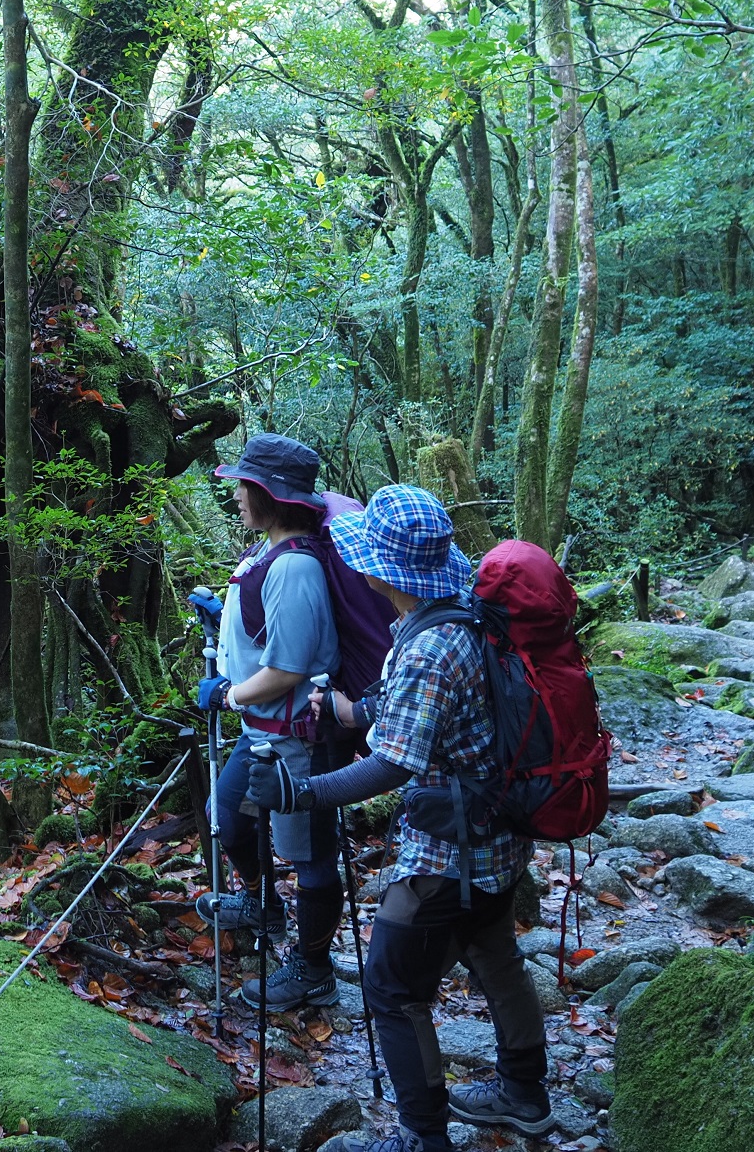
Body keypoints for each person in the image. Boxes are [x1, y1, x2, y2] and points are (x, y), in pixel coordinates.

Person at [246, 484, 552, 1152]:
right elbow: (424, 717)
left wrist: (303, 793)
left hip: (449, 853)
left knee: (389, 987)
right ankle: (526, 1092)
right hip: (501, 833)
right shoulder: (467, 613)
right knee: (495, 955)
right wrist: (351, 711)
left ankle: (422, 1136)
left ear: (381, 570)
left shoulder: (428, 648)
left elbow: (390, 766)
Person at [194, 433, 350, 1010]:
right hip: (263, 731)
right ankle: (263, 905)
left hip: (298, 738)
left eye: (243, 486)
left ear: (267, 493)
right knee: (227, 819)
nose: (235, 495)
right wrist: (224, 614)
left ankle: (313, 969)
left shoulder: (295, 568)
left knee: (309, 855)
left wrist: (228, 695)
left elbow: (286, 669)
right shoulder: (266, 554)